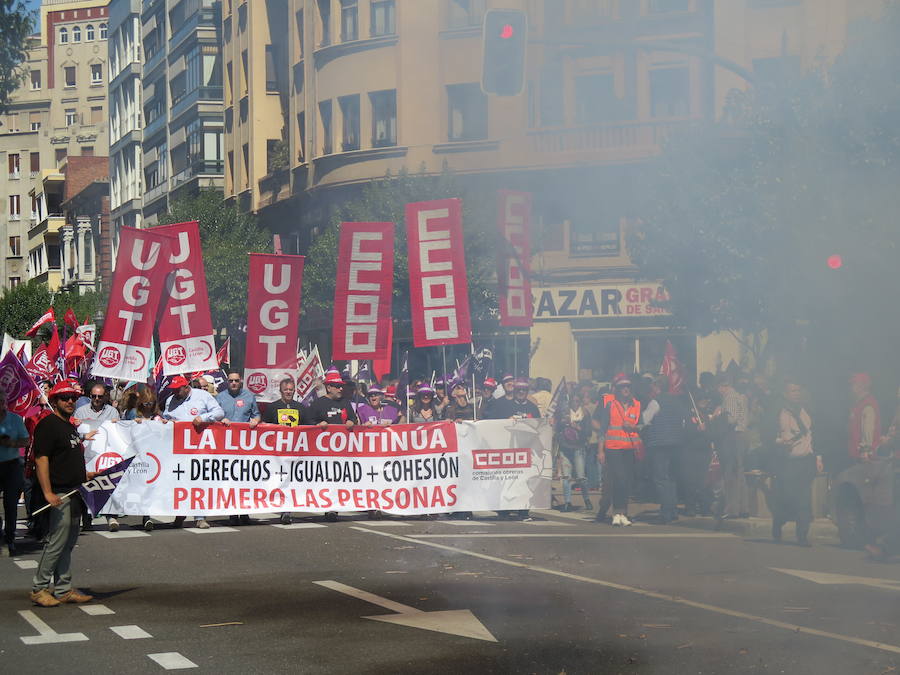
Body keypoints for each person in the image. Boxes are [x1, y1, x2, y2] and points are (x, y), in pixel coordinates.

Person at [30, 381, 99, 607]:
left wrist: (86, 474)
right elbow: (41, 459)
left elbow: (67, 457)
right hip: (59, 493)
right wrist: (48, 492)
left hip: (75, 491)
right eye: (65, 397)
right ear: (54, 400)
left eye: (73, 397)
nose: (70, 401)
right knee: (56, 543)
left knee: (68, 543)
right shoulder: (48, 425)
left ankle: (63, 588)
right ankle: (39, 588)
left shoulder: (68, 426)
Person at [163, 375, 225, 529]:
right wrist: (165, 422)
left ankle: (200, 517)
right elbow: (165, 417)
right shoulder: (171, 400)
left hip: (200, 447)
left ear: (186, 387)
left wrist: (203, 417)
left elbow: (219, 412)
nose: (176, 392)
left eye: (178, 389)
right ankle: (180, 514)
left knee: (199, 482)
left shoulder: (202, 396)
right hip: (178, 448)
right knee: (180, 482)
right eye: (174, 389)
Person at [771, 379, 822, 546]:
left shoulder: (807, 411)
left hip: (805, 461)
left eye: (798, 390)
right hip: (787, 462)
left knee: (804, 499)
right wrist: (779, 442)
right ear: (785, 394)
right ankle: (778, 523)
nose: (796, 394)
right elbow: (767, 435)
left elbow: (813, 436)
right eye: (793, 391)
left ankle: (802, 535)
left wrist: (818, 457)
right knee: (785, 497)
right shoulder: (778, 412)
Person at [304, 370, 357, 522]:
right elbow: (308, 422)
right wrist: (318, 424)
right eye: (336, 386)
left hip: (343, 451)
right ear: (328, 388)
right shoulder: (318, 404)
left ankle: (335, 506)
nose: (340, 389)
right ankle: (328, 507)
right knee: (326, 480)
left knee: (339, 479)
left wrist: (351, 422)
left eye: (341, 386)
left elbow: (354, 419)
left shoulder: (346, 403)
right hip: (323, 452)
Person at [594, 377, 641, 526]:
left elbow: (643, 425)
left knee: (626, 481)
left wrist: (634, 428)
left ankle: (622, 513)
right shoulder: (610, 405)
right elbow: (602, 430)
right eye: (623, 387)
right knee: (619, 479)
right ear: (618, 390)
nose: (626, 389)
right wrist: (600, 451)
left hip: (629, 449)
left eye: (628, 386)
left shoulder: (637, 405)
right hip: (613, 448)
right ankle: (617, 512)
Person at [74, 382, 122, 531]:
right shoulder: (80, 411)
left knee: (109, 484)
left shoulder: (113, 412)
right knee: (86, 486)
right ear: (90, 396)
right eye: (94, 396)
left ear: (105, 397)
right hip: (87, 455)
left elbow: (119, 432)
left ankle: (111, 516)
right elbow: (74, 431)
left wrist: (116, 424)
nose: (96, 399)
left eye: (100, 397)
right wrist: (76, 423)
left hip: (106, 453)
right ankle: (86, 518)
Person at [642, 377, 688, 524]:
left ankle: (666, 511)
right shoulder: (678, 402)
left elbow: (644, 420)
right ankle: (673, 510)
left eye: (653, 387)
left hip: (659, 444)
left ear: (657, 387)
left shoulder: (656, 402)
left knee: (661, 478)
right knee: (672, 478)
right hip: (676, 443)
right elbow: (683, 420)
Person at [218, 372, 261, 527]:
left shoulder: (249, 396)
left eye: (236, 380)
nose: (234, 383)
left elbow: (256, 415)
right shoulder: (220, 397)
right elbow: (214, 415)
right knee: (230, 479)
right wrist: (220, 419)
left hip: (245, 445)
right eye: (231, 381)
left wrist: (255, 421)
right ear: (227, 382)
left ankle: (244, 511)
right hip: (226, 445)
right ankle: (232, 512)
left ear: (241, 381)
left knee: (244, 479)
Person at [260, 376, 304, 525]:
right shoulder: (272, 407)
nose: (288, 392)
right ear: (280, 391)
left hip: (295, 451)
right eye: (286, 390)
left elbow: (309, 426)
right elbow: (265, 426)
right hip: (276, 453)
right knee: (278, 480)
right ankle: (279, 507)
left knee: (291, 482)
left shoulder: (300, 407)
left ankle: (287, 510)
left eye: (291, 390)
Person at [711, 374, 750, 524]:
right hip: (740, 436)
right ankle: (743, 508)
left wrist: (717, 416)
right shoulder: (740, 396)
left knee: (731, 473)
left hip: (733, 437)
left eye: (719, 388)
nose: (718, 391)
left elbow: (731, 419)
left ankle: (733, 509)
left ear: (724, 386)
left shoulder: (730, 397)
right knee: (739, 472)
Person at [0, 389, 29, 556]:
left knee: (11, 504)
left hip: (11, 466)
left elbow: (25, 441)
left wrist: (11, 443)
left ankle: (9, 538)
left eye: (1, 401)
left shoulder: (15, 419)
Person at [555, 391, 592, 512]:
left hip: (578, 448)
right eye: (572, 401)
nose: (574, 404)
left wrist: (577, 427)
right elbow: (557, 429)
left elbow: (588, 432)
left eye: (577, 401)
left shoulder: (585, 414)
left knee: (581, 477)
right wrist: (561, 423)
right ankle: (568, 502)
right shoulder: (564, 414)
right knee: (566, 477)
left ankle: (586, 499)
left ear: (580, 402)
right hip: (565, 448)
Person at [849, 373, 881, 464]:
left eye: (854, 384)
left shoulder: (867, 405)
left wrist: (866, 452)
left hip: (864, 457)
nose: (851, 387)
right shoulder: (859, 403)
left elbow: (868, 430)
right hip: (858, 454)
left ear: (861, 386)